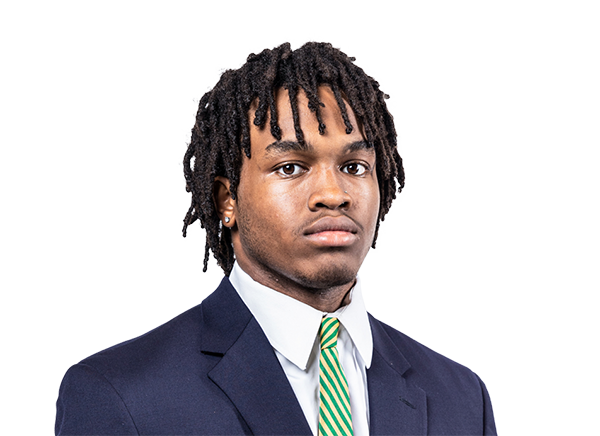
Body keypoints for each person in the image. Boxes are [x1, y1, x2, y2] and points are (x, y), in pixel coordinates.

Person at [55, 41, 497, 435]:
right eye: (291, 167)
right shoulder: (120, 395)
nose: (333, 194)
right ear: (227, 200)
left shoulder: (461, 398)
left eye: (354, 167)